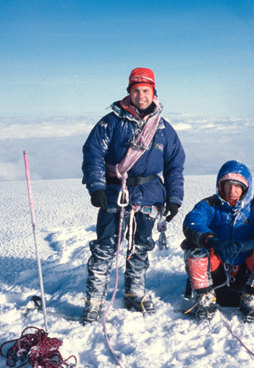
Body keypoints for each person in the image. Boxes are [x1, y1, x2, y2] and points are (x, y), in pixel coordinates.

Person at [81, 67, 185, 324]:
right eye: (136, 90)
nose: (141, 95)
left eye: (145, 90)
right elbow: (93, 154)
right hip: (115, 193)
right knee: (105, 248)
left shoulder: (164, 129)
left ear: (154, 93)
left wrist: (174, 198)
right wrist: (96, 187)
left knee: (140, 247)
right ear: (129, 92)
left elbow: (174, 165)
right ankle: (94, 300)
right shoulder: (111, 123)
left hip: (149, 195)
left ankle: (134, 292)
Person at [181, 160, 254, 323]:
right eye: (227, 185)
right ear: (219, 185)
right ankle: (205, 296)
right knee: (193, 244)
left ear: (246, 187)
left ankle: (253, 297)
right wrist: (212, 240)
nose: (232, 190)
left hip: (247, 270)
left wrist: (253, 242)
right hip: (217, 270)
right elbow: (192, 222)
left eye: (237, 186)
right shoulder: (210, 205)